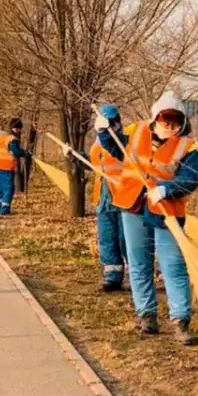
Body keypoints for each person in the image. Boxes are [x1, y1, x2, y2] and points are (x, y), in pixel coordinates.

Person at [97, 92, 198, 345]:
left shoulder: (188, 147)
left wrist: (167, 189)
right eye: (166, 120)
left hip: (167, 211)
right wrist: (102, 131)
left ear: (183, 122)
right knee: (139, 264)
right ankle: (146, 316)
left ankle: (180, 321)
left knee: (173, 266)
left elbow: (191, 178)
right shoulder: (136, 133)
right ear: (156, 118)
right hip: (132, 206)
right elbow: (114, 147)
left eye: (176, 121)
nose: (171, 126)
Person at [80, 104, 128, 293]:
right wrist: (75, 157)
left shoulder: (124, 141)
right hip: (103, 199)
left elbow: (117, 151)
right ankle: (112, 275)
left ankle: (137, 275)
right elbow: (93, 164)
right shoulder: (97, 143)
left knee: (126, 240)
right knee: (107, 239)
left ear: (117, 124)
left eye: (111, 124)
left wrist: (106, 133)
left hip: (124, 199)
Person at [0, 118, 32, 216]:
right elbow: (17, 152)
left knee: (1, 188)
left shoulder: (0, 137)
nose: (19, 132)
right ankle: (5, 210)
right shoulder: (12, 139)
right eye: (19, 129)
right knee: (9, 188)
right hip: (6, 167)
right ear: (15, 128)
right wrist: (26, 153)